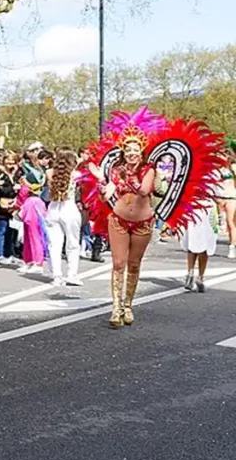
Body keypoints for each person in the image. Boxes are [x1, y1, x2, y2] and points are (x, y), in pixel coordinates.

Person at [80, 108, 226, 328]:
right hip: (118, 219)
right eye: (127, 149)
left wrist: (120, 181)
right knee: (118, 263)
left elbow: (143, 190)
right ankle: (116, 308)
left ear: (141, 151)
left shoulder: (149, 169)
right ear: (122, 150)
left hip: (142, 223)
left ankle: (128, 305)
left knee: (134, 264)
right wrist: (102, 182)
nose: (131, 153)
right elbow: (106, 195)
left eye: (135, 149)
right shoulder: (116, 169)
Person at [46, 149, 83, 286]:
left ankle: (57, 275)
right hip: (69, 208)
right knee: (73, 243)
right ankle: (72, 274)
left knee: (54, 244)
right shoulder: (76, 174)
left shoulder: (49, 173)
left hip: (53, 208)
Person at [217, 147, 236, 260]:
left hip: (232, 196)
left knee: (230, 222)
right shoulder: (218, 169)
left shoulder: (233, 167)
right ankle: (232, 242)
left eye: (222, 155)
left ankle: (232, 247)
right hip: (220, 196)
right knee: (227, 224)